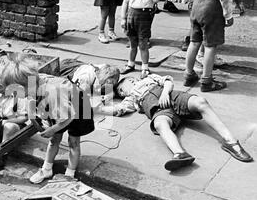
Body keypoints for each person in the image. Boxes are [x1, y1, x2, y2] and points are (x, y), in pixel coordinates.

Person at [98, 73, 253, 170]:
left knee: (201, 102)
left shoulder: (149, 79)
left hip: (173, 97)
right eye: (119, 92)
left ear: (132, 79)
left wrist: (165, 92)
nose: (122, 90)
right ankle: (180, 154)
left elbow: (168, 81)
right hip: (159, 110)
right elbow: (118, 110)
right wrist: (96, 108)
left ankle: (231, 142)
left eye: (122, 87)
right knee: (160, 124)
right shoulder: (131, 99)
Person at [0, 55, 95, 184]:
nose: (13, 95)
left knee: (73, 142)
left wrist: (52, 129)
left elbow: (68, 117)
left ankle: (70, 174)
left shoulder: (53, 92)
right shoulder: (32, 84)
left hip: (78, 109)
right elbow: (32, 102)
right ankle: (46, 169)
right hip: (61, 107)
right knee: (54, 139)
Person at [182, 0, 234, 92]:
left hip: (197, 1)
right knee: (210, 45)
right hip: (213, 4)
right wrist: (228, 14)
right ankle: (206, 80)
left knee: (194, 41)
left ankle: (188, 74)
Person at [120, 0, 162, 78]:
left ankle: (145, 67)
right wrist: (123, 18)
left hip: (144, 18)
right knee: (132, 43)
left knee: (143, 44)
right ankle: (130, 64)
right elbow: (125, 2)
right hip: (131, 16)